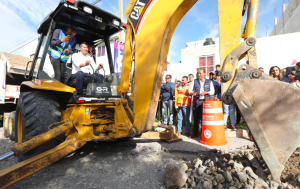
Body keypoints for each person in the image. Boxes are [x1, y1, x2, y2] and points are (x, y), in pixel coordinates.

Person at [189, 68, 215, 139]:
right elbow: (189, 90)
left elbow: (212, 91)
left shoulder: (209, 82)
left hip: (205, 102)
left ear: (204, 74)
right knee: (196, 118)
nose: (199, 75)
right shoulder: (194, 81)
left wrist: (206, 93)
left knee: (205, 118)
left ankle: (204, 133)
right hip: (197, 101)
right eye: (198, 73)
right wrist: (192, 93)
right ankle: (195, 133)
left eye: (200, 73)